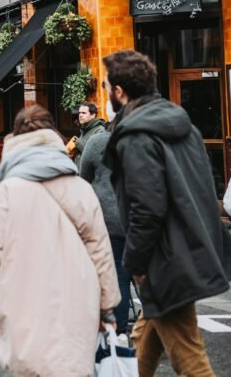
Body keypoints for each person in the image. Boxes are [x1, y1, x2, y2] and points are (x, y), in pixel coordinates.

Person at [101, 50, 231, 376]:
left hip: (165, 261)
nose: (105, 92)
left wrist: (135, 262)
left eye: (106, 86)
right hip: (188, 248)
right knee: (143, 343)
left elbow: (147, 209)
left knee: (190, 359)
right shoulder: (183, 125)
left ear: (119, 91)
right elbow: (206, 187)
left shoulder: (135, 137)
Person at [0, 105, 119, 376]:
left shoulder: (7, 191)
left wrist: (3, 289)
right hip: (77, 300)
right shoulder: (81, 188)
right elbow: (100, 252)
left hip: (23, 301)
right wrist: (107, 308)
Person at [79, 124, 133, 343]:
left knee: (118, 273)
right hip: (144, 216)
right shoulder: (146, 140)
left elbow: (83, 178)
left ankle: (119, 331)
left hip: (110, 218)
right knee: (149, 276)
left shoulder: (97, 141)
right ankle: (156, 329)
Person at [68, 103, 105, 167]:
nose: (80, 115)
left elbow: (95, 155)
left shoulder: (100, 131)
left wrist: (78, 143)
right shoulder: (84, 130)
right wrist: (73, 156)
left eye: (84, 113)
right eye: (79, 113)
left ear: (93, 115)